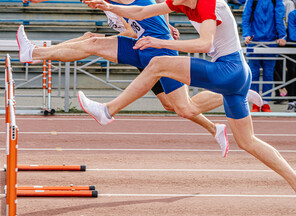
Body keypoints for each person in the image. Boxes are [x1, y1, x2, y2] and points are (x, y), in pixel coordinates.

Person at [78, 0, 296, 192]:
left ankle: (107, 111)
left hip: (230, 69)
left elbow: (205, 44)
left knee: (158, 64)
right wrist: (109, 6)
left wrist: (160, 42)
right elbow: (142, 11)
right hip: (236, 77)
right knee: (239, 137)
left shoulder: (209, 3)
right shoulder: (182, 1)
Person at [19, 0, 263, 157]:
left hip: (156, 49)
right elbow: (157, 9)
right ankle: (34, 53)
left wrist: (165, 33)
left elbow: (140, 15)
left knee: (182, 107)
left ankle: (232, 98)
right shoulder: (109, 4)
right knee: (92, 41)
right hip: (141, 48)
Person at [242, 0, 287, 112]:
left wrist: (282, 36)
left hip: (271, 41)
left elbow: (279, 17)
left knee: (268, 74)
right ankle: (255, 103)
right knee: (254, 74)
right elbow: (246, 17)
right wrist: (246, 35)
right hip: (254, 41)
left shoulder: (276, 0)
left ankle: (265, 103)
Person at [286, 9, 296, 112]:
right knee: (292, 72)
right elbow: (293, 35)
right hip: (293, 47)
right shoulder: (293, 14)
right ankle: (292, 101)